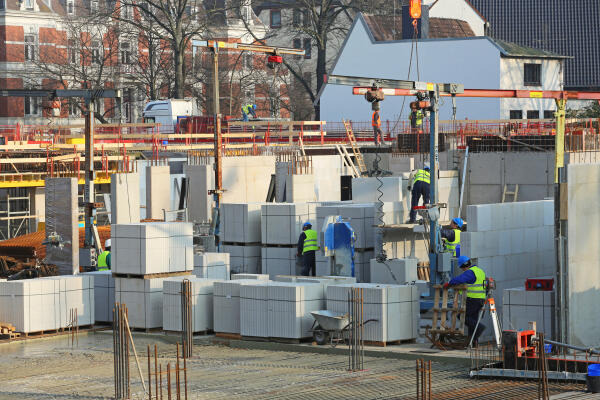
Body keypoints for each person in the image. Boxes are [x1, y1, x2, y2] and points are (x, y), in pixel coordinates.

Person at [444, 256, 486, 346]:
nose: (462, 270)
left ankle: (480, 327)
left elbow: (459, 279)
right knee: (472, 321)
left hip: (473, 300)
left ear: (463, 266)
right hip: (480, 299)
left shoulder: (470, 272)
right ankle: (474, 342)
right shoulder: (479, 271)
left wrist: (449, 283)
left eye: (461, 268)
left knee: (462, 316)